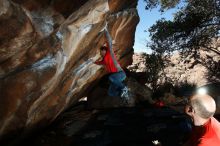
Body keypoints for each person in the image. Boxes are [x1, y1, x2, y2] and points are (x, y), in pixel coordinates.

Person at [94, 27, 129, 99]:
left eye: (102, 52)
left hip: (120, 74)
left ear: (105, 51)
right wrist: (93, 62)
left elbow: (109, 42)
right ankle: (122, 93)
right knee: (110, 93)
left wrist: (106, 29)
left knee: (111, 78)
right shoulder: (104, 60)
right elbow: (99, 63)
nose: (101, 53)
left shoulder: (110, 54)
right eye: (101, 53)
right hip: (116, 78)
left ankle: (124, 88)